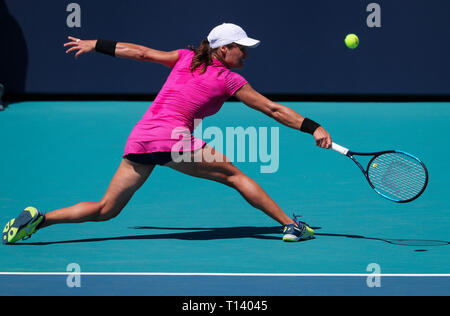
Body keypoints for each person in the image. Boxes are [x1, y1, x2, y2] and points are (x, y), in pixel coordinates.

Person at [2, 23, 332, 245]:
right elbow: (272, 109)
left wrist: (96, 45)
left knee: (107, 209)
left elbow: (142, 52)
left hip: (142, 137)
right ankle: (291, 225)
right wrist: (313, 127)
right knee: (234, 176)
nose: (245, 54)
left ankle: (39, 219)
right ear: (222, 50)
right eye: (240, 48)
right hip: (174, 139)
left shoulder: (184, 58)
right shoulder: (229, 80)